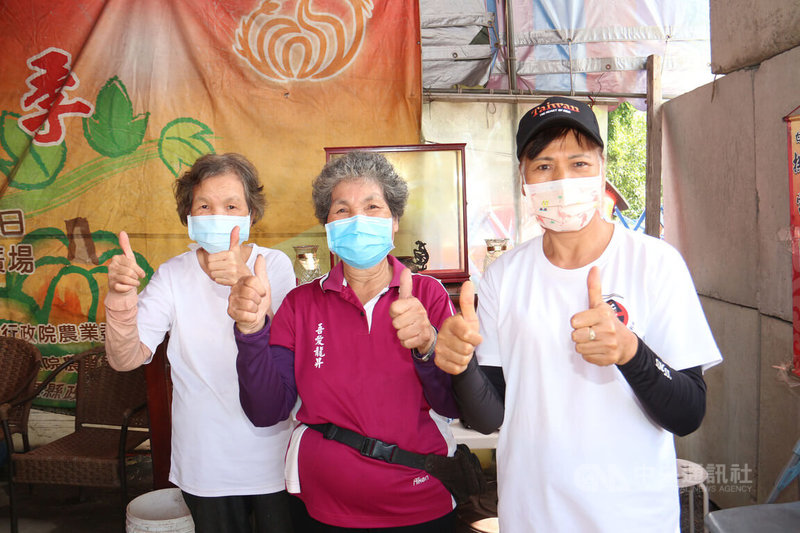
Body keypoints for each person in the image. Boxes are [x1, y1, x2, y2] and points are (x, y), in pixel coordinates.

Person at [435, 97, 723, 532]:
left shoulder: (655, 263)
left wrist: (631, 352)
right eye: (545, 166)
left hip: (633, 519)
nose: (562, 180)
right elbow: (490, 419)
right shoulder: (503, 277)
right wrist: (461, 366)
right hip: (531, 516)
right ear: (524, 179)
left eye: (579, 163)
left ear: (602, 167)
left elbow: (688, 413)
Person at [228, 151, 461, 532]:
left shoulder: (428, 296)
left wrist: (428, 346)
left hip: (420, 500)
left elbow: (452, 404)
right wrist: (252, 334)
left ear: (394, 221)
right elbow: (266, 411)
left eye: (373, 207)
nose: (357, 220)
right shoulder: (300, 305)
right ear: (327, 226)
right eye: (342, 210)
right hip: (321, 509)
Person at [104, 153, 297, 533]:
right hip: (205, 461)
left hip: (274, 454)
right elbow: (127, 357)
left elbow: (291, 346)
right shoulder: (173, 274)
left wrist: (246, 285)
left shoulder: (272, 265)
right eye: (204, 206)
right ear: (189, 217)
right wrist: (121, 299)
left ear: (250, 215)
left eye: (231, 205)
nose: (218, 215)